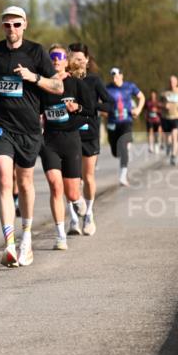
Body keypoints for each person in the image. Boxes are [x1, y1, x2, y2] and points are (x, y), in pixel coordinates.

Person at [0, 6, 62, 267]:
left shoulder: (36, 52)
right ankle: (9, 244)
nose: (12, 29)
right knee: (5, 180)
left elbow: (58, 86)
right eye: (7, 24)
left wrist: (34, 77)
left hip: (28, 128)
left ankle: (26, 238)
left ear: (25, 24)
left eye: (17, 24)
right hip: (1, 125)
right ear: (2, 26)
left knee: (25, 182)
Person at [38, 45, 94, 251]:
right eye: (52, 57)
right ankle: (60, 235)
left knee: (71, 193)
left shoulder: (76, 84)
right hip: (49, 141)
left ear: (66, 61)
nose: (56, 60)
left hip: (70, 140)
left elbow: (91, 111)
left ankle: (78, 200)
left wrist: (77, 107)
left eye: (60, 57)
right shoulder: (43, 85)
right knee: (55, 186)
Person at [66, 43, 112, 237]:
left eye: (80, 59)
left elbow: (109, 105)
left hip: (89, 134)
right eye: (73, 58)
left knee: (88, 176)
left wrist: (91, 106)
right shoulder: (64, 80)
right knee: (71, 178)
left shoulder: (94, 80)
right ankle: (73, 218)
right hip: (69, 133)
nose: (77, 62)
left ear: (86, 60)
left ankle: (89, 215)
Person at [103, 67, 145, 186]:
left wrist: (138, 109)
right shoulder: (107, 88)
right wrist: (103, 112)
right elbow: (100, 103)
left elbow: (141, 97)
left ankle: (123, 176)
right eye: (112, 77)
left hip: (126, 121)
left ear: (122, 76)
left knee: (123, 144)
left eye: (116, 76)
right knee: (116, 152)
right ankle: (124, 152)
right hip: (112, 122)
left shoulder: (130, 86)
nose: (114, 79)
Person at [160, 75, 178, 166]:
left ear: (176, 82)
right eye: (170, 82)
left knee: (174, 135)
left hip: (176, 117)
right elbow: (158, 103)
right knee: (168, 137)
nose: (171, 83)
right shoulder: (164, 92)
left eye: (173, 82)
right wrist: (163, 106)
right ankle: (169, 145)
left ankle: (173, 156)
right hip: (166, 117)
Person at [144, 90, 163, 154]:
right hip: (149, 120)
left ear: (156, 95)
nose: (152, 96)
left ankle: (156, 145)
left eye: (154, 95)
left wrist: (157, 110)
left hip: (157, 120)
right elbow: (145, 110)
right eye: (151, 95)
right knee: (150, 132)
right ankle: (150, 146)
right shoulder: (147, 102)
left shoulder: (158, 102)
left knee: (157, 133)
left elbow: (162, 111)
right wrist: (146, 117)